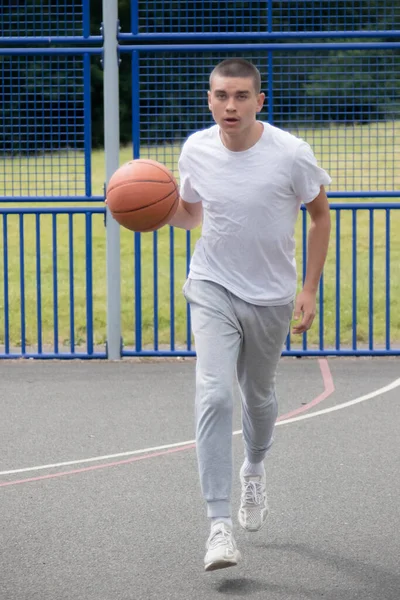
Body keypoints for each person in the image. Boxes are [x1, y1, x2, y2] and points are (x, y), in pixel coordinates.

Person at [168, 58, 331, 571]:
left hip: (271, 296)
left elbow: (320, 214)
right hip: (212, 284)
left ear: (259, 101)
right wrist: (146, 212)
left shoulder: (291, 153)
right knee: (214, 394)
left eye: (241, 96)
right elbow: (191, 212)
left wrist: (308, 287)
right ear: (209, 99)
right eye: (221, 96)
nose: (230, 105)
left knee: (258, 397)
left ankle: (254, 469)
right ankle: (218, 527)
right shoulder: (195, 148)